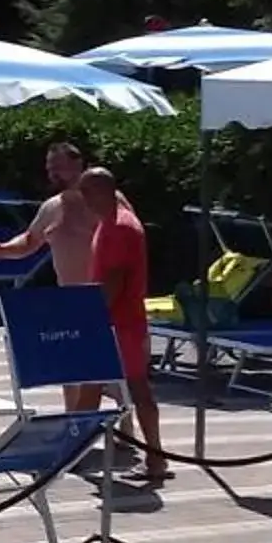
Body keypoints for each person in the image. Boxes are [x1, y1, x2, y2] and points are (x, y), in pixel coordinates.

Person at [0, 141, 104, 412]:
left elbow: (129, 236)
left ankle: (126, 424)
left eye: (59, 167)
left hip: (104, 296)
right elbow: (29, 241)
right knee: (71, 368)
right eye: (49, 168)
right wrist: (0, 250)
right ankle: (73, 423)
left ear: (79, 164)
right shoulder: (51, 207)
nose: (53, 173)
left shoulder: (104, 200)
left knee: (109, 370)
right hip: (68, 296)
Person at [79, 168, 167, 487]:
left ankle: (155, 456)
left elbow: (114, 280)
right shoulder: (120, 218)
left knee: (137, 388)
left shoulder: (118, 227)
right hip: (124, 321)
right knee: (91, 382)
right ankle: (73, 448)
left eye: (87, 193)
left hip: (119, 322)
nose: (84, 200)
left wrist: (91, 316)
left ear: (101, 192)